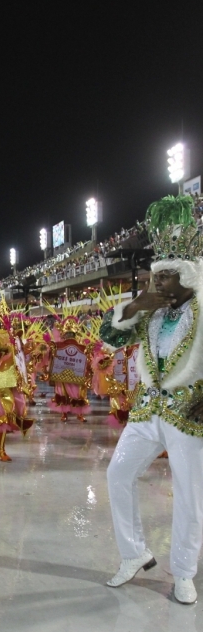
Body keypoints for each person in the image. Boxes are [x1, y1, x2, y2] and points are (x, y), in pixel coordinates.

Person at [101, 195, 203, 605]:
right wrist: (134, 305)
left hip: (189, 412)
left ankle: (183, 571)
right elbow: (107, 336)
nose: (156, 283)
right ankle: (134, 553)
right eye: (154, 276)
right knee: (117, 474)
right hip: (147, 410)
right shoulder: (150, 311)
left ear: (186, 276)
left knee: (190, 493)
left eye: (163, 277)